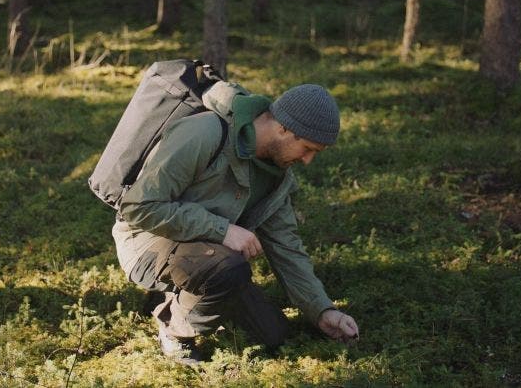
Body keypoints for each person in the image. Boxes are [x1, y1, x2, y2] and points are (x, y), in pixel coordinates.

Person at [112, 83, 359, 365]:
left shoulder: (276, 175)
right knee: (227, 269)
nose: (307, 160)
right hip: (147, 245)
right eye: (307, 148)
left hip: (211, 256)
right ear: (283, 128)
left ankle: (183, 295)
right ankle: (175, 331)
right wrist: (222, 229)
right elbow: (138, 207)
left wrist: (322, 310)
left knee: (272, 334)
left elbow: (286, 248)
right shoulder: (204, 133)